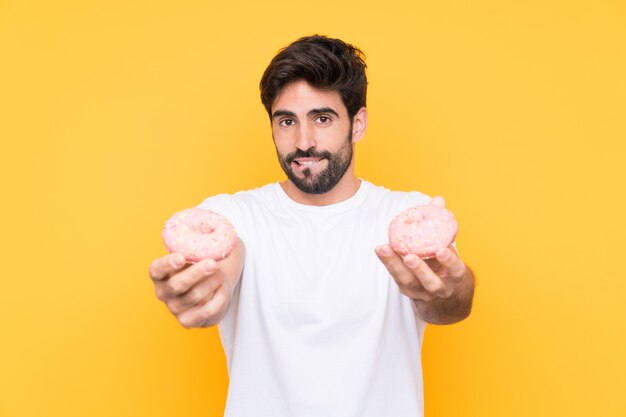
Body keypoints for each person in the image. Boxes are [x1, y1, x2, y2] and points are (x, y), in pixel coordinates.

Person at [149, 35, 475, 417]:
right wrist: (202, 293)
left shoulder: (404, 214)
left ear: (358, 123)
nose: (303, 142)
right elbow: (221, 267)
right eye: (287, 121)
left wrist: (443, 292)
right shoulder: (234, 216)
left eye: (322, 118)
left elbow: (453, 304)